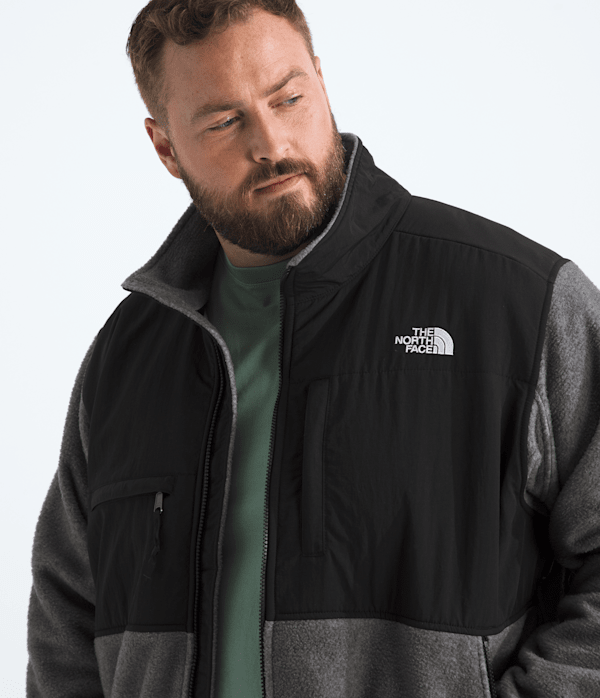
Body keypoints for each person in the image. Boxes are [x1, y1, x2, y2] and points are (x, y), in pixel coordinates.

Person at [26, 1, 600, 696]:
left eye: (288, 98)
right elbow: (67, 619)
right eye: (224, 120)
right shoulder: (128, 357)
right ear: (166, 147)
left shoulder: (519, 303)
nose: (271, 143)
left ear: (321, 83)